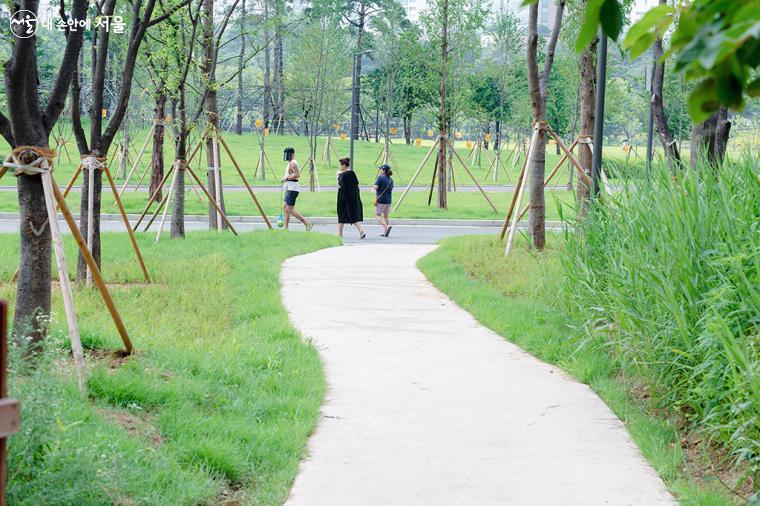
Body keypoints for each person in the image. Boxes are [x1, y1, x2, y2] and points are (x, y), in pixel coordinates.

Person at [281, 147, 313, 231]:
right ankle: (286, 228)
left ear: (291, 154)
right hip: (290, 188)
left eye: (287, 154)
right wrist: (286, 178)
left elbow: (297, 175)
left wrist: (286, 178)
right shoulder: (290, 163)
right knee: (285, 208)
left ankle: (307, 223)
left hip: (292, 188)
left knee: (289, 209)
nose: (285, 156)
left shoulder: (293, 163)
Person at [336, 157, 365, 239]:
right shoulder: (352, 173)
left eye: (340, 165)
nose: (340, 167)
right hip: (353, 198)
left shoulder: (343, 175)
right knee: (353, 216)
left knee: (341, 215)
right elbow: (356, 184)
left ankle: (340, 233)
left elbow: (340, 185)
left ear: (344, 165)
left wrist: (338, 176)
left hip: (343, 197)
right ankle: (361, 230)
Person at [373, 164, 394, 237]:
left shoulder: (380, 177)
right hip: (388, 200)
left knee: (377, 215)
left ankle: (386, 227)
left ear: (383, 170)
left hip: (381, 200)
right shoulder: (391, 179)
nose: (380, 170)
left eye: (381, 169)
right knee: (386, 216)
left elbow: (375, 187)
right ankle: (386, 232)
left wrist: (373, 188)